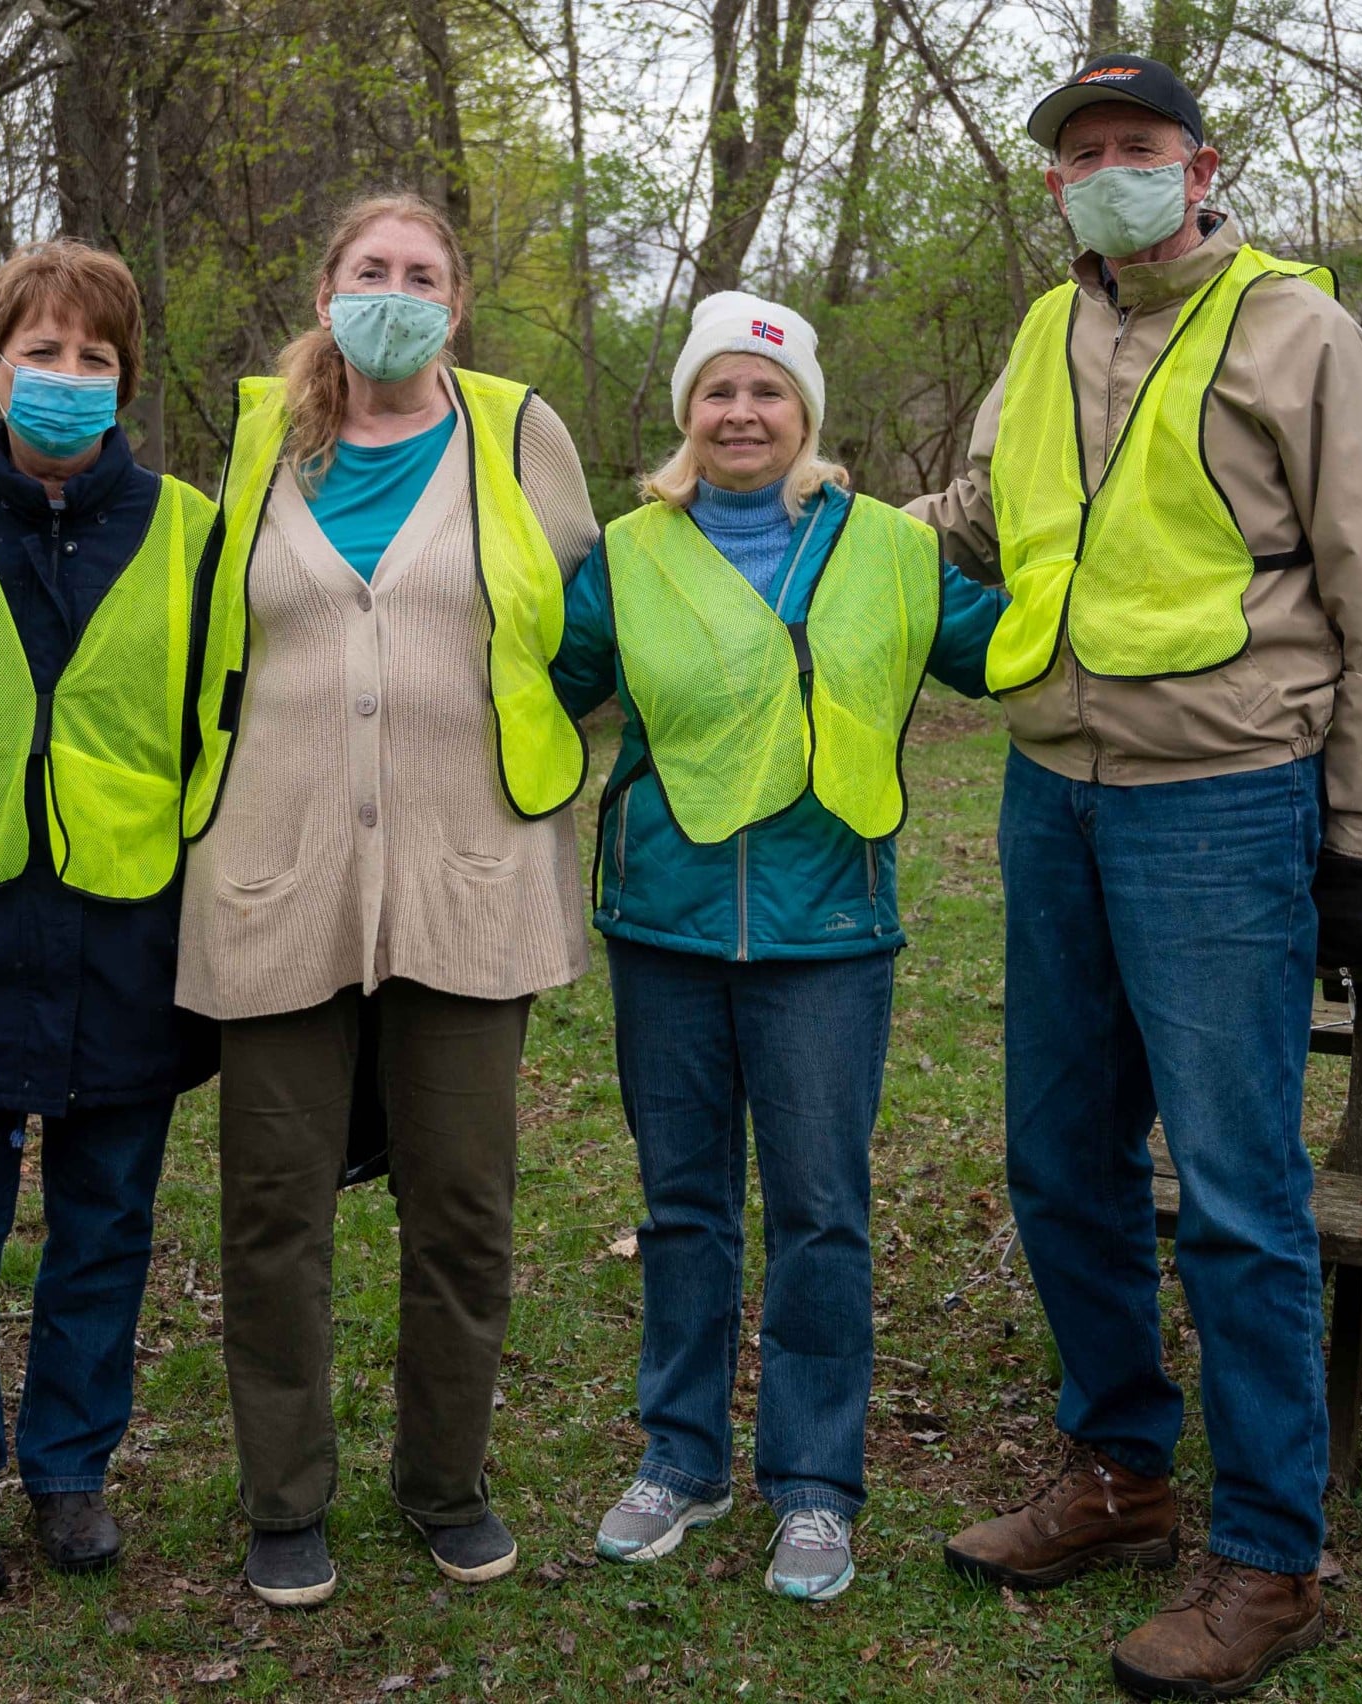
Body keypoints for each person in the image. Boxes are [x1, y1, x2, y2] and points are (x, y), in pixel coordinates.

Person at [913, 56, 1362, 1700]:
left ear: (1200, 166)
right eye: (1081, 154)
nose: (1109, 172)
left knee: (1234, 1189)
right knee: (1063, 1160)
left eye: (1137, 146)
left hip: (1223, 805)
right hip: (1052, 794)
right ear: (1055, 184)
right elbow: (980, 520)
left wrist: (1354, 841)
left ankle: (1274, 1558)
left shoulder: (1299, 331)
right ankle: (1118, 1475)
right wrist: (810, 522)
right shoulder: (1040, 329)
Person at [178, 192, 599, 1607]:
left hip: (471, 882)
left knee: (463, 1208)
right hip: (273, 879)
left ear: (457, 305)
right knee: (273, 1211)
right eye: (373, 270)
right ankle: (285, 1497)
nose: (397, 294)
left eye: (424, 275)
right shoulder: (262, 444)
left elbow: (590, 626)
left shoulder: (520, 436)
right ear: (327, 294)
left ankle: (445, 1484)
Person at [549, 293, 1000, 1602]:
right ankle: (678, 1462)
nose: (741, 414)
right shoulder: (627, 554)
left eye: (767, 392)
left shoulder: (890, 550)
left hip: (829, 934)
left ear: (806, 414)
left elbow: (1005, 652)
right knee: (682, 1210)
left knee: (820, 1216)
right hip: (666, 927)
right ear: (686, 413)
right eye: (718, 391)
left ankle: (812, 1487)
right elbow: (538, 685)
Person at [0, 241, 217, 1599]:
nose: (68, 376)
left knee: (106, 1228)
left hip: (130, 941)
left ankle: (71, 1472)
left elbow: (226, 733)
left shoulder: (192, 531)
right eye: (42, 352)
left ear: (127, 380)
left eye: (95, 357)